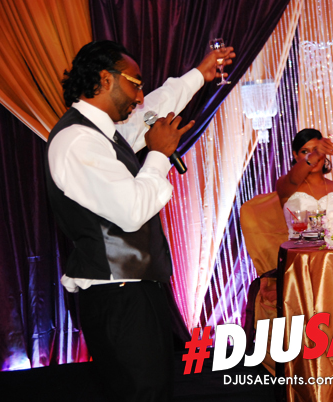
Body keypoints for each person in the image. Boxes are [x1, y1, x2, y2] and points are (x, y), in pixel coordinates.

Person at [45, 40, 234, 401]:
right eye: (135, 84)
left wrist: (200, 74)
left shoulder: (104, 134)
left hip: (131, 291)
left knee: (152, 390)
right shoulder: (78, 141)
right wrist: (159, 155)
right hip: (118, 295)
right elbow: (131, 211)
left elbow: (154, 110)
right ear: (105, 79)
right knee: (143, 393)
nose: (140, 96)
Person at [277, 128, 333, 235]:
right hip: (299, 245)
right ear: (295, 155)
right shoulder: (285, 184)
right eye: (305, 151)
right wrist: (316, 154)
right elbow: (293, 180)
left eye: (316, 150)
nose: (313, 156)